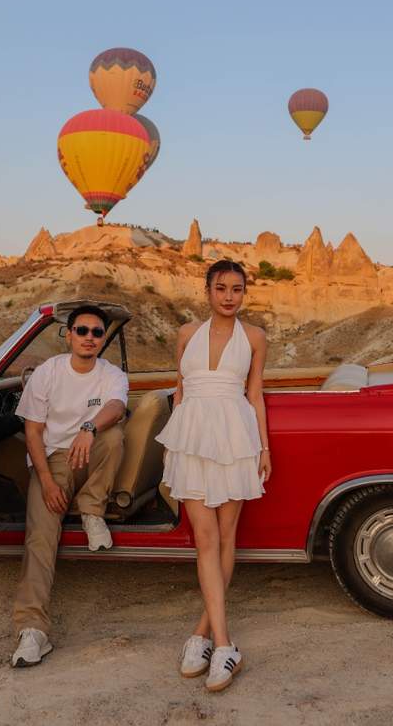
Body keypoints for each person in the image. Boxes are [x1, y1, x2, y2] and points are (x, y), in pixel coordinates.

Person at [155, 260, 270, 692]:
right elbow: (181, 391)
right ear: (207, 291)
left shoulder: (255, 338)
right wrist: (175, 446)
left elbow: (254, 395)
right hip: (193, 438)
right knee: (205, 541)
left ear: (244, 293)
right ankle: (223, 644)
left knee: (225, 537)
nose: (228, 296)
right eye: (220, 288)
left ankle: (205, 637)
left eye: (236, 289)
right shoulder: (186, 334)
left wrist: (264, 447)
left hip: (236, 438)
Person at [10, 304, 128, 667]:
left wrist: (89, 429)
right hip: (53, 461)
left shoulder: (111, 373)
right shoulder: (48, 373)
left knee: (113, 436)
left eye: (96, 332)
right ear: (69, 334)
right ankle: (32, 630)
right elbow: (33, 432)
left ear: (102, 338)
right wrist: (45, 481)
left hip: (90, 453)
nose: (89, 337)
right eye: (82, 330)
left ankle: (92, 509)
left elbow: (117, 406)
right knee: (40, 538)